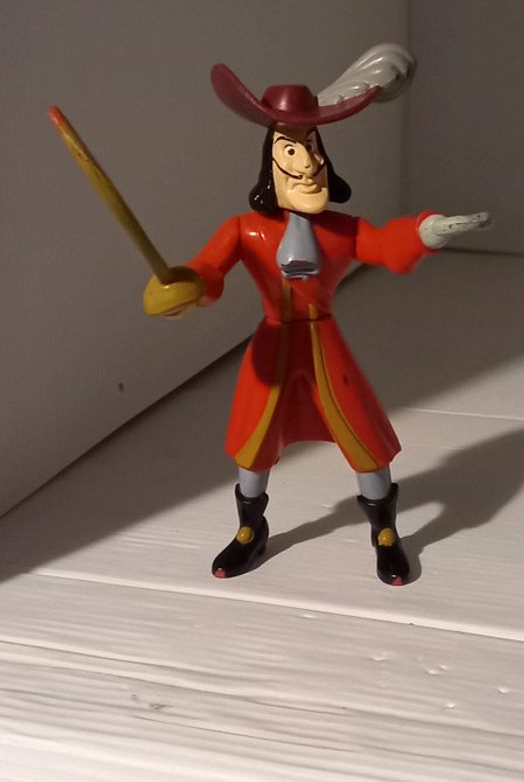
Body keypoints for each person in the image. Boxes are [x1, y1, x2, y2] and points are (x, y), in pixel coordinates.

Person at [143, 46, 490, 585]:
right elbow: (209, 270)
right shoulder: (245, 229)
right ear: (271, 159)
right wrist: (185, 288)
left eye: (311, 148)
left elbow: (383, 243)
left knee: (364, 437)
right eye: (291, 149)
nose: (306, 164)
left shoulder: (339, 230)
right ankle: (249, 529)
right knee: (254, 443)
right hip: (272, 350)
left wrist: (424, 232)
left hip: (325, 346)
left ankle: (384, 532)